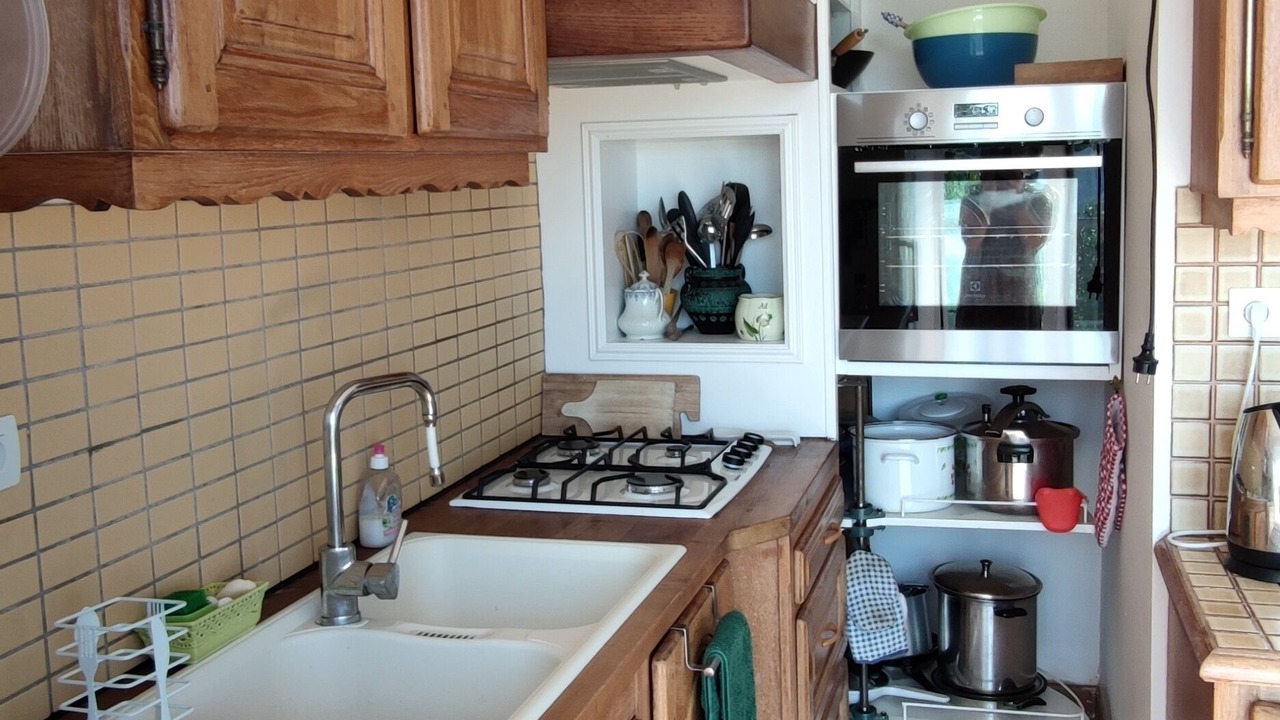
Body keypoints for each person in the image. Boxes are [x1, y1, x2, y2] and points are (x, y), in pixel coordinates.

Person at [954, 172, 1057, 329]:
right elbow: (972, 242)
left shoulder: (1038, 199)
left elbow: (1035, 241)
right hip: (978, 294)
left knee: (1021, 349)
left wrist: (1016, 199)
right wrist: (988, 198)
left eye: (1010, 175)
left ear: (1022, 176)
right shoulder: (972, 199)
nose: (1002, 181)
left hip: (1019, 295)